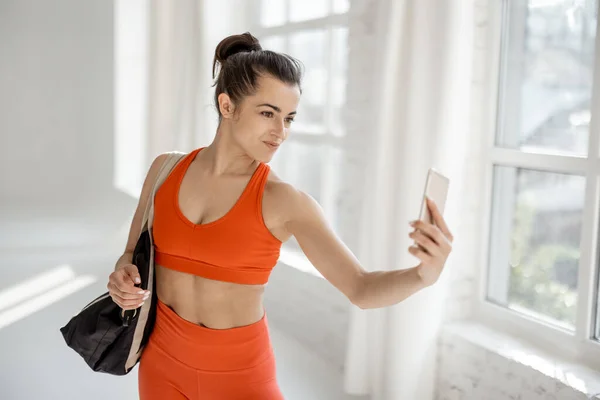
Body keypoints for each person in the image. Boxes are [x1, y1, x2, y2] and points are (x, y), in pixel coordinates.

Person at [107, 32, 453, 400]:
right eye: (268, 114)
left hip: (241, 376)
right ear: (227, 106)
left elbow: (361, 288)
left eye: (289, 118)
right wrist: (122, 280)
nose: (281, 132)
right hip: (161, 365)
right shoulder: (165, 170)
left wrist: (422, 276)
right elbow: (129, 254)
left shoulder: (284, 202)